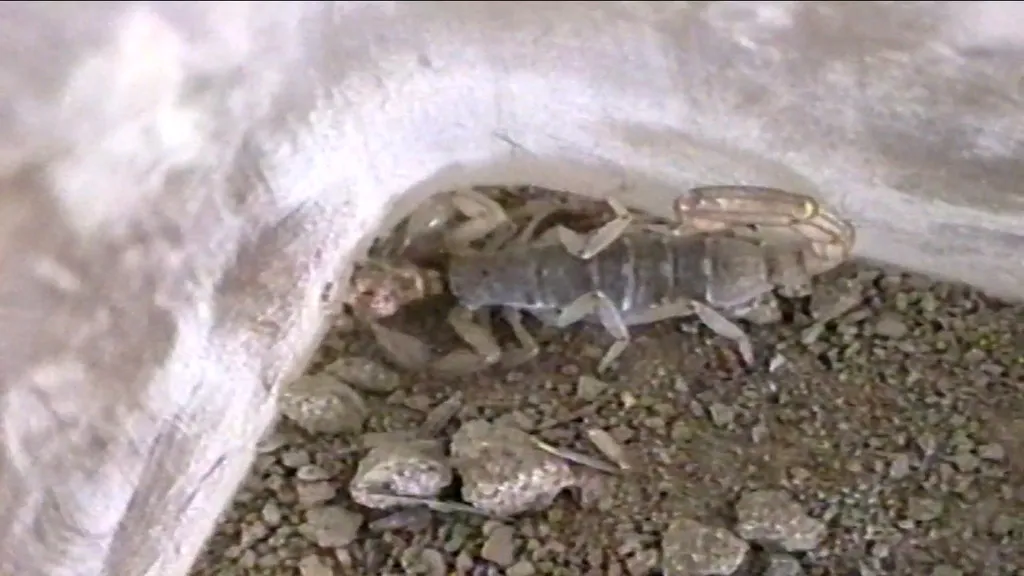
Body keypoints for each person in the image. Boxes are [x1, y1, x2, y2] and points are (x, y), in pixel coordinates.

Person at [1, 2, 1021, 575]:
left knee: (591, 286)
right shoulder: (511, 250)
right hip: (624, 275)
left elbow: (506, 303)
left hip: (650, 278)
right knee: (591, 281)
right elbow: (525, 253)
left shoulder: (501, 280)